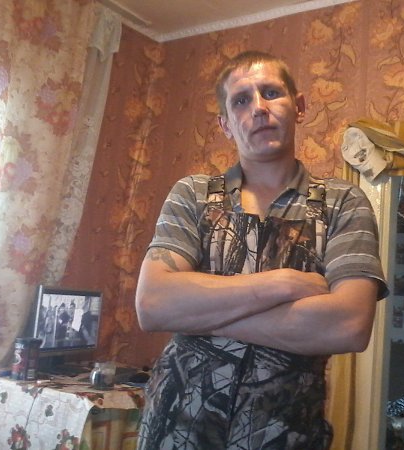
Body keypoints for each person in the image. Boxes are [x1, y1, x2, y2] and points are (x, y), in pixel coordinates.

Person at [135, 51, 389, 450]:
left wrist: (197, 316)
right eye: (241, 100)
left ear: (299, 107)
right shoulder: (193, 194)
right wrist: (282, 284)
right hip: (176, 427)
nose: (258, 107)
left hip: (285, 433)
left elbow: (349, 325)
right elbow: (153, 304)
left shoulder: (342, 203)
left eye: (271, 92)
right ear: (225, 124)